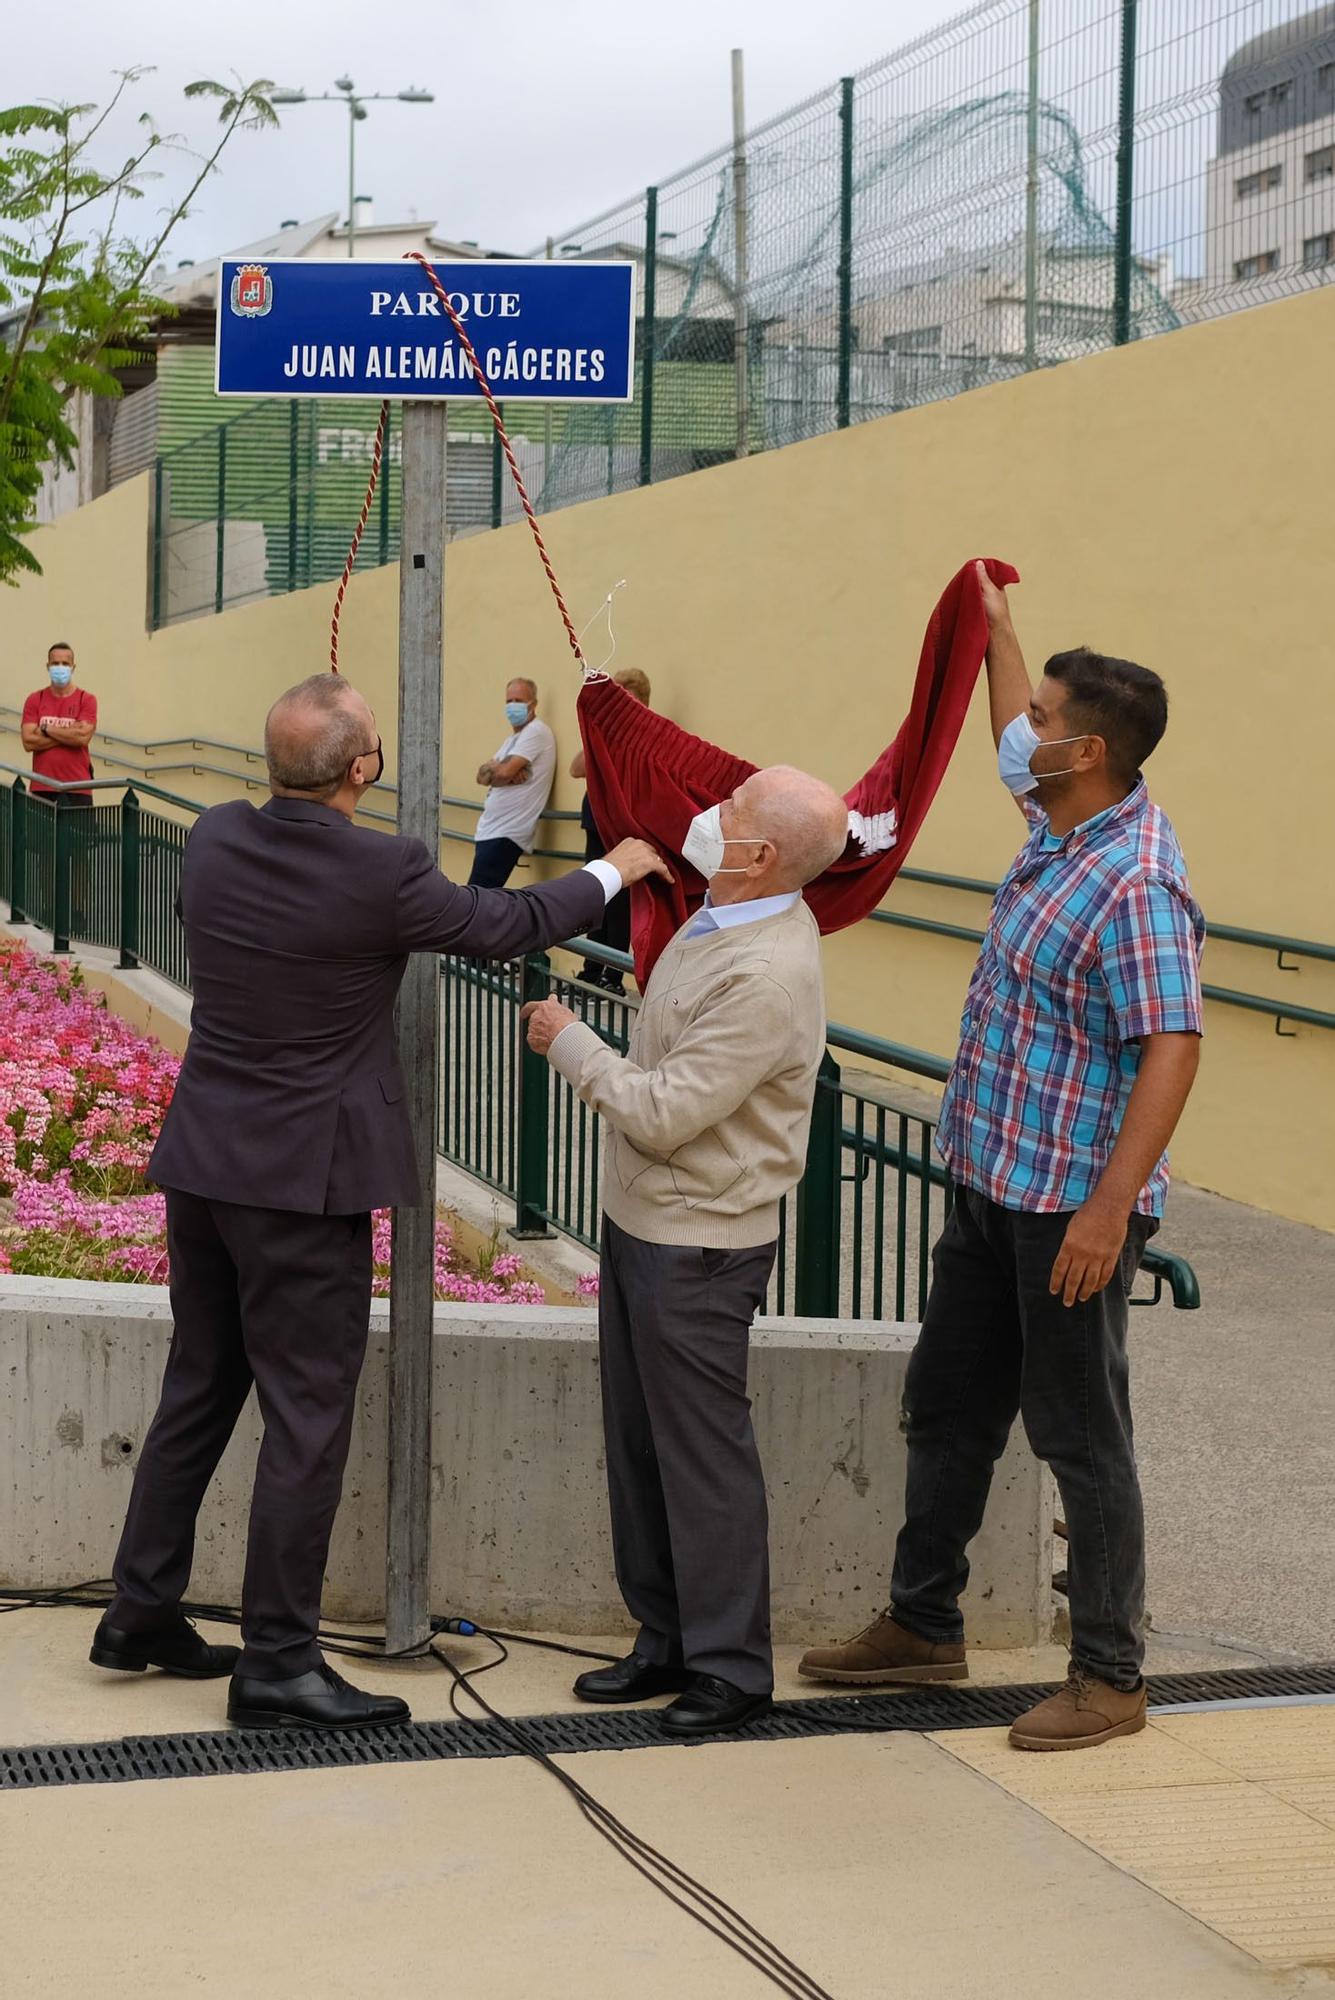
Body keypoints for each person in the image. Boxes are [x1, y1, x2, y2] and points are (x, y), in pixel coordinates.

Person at [91, 673, 668, 1732]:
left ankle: (139, 1610)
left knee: (200, 1387)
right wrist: (614, 866)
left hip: (209, 1160)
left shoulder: (215, 835)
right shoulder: (382, 869)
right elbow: (511, 920)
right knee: (307, 1420)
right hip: (303, 1184)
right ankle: (276, 1664)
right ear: (363, 768)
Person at [799, 565, 1205, 1753]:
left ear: (1084, 754)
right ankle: (924, 1623)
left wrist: (1108, 1208)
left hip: (1069, 1209)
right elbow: (1007, 737)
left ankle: (1112, 1673)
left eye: (1040, 719)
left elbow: (1173, 1046)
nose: (1019, 731)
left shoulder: (1133, 879)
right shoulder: (1068, 819)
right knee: (949, 1406)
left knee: (1083, 1437)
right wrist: (1001, 636)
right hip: (992, 1180)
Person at [523, 766, 850, 1739]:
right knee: (640, 1445)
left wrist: (571, 1041)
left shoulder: (765, 974)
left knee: (701, 1456)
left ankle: (731, 1667)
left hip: (701, 1243)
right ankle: (663, 1636)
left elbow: (665, 1112)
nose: (712, 815)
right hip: (648, 1225)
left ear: (759, 856)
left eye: (735, 812)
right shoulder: (722, 917)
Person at [570, 666, 652, 994]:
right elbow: (577, 769)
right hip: (596, 820)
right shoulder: (605, 734)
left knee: (620, 902)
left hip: (623, 825)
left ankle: (613, 976)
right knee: (597, 894)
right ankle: (591, 970)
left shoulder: (646, 735)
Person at [468, 676, 556, 888]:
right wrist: (497, 773)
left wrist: (499, 771)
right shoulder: (512, 740)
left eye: (518, 700)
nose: (512, 706)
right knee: (479, 897)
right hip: (490, 830)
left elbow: (504, 772)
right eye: (509, 701)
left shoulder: (536, 731)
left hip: (507, 832)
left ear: (533, 704)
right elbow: (481, 777)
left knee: (479, 899)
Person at [21, 641, 97, 806]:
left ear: (73, 667)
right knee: (40, 833)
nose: (60, 667)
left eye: (65, 664)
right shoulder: (35, 699)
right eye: (55, 663)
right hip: (41, 786)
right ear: (47, 666)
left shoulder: (87, 699)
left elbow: (82, 738)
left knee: (79, 833)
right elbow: (28, 742)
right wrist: (69, 733)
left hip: (78, 787)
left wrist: (46, 729)